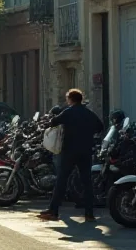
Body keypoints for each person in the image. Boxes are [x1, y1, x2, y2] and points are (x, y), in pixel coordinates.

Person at [39, 89, 103, 222]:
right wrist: (88, 133)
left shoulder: (69, 111)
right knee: (87, 182)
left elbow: (53, 122)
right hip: (85, 151)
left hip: (69, 151)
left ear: (71, 99)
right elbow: (100, 126)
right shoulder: (88, 113)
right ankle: (89, 213)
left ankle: (53, 211)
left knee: (61, 180)